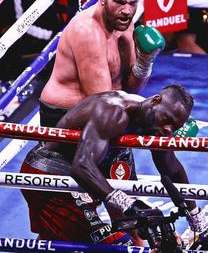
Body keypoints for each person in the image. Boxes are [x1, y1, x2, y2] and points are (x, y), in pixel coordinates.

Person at [38, 0, 208, 250]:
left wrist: (145, 62)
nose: (127, 10)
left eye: (133, 3)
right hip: (67, 117)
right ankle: (120, 231)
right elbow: (104, 100)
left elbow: (130, 88)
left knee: (135, 154)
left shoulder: (125, 24)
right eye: (120, 2)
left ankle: (135, 234)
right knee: (92, 197)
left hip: (109, 115)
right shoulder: (87, 31)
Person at [21, 85, 192, 246]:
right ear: (155, 101)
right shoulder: (113, 110)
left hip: (82, 181)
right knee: (116, 245)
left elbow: (171, 167)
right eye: (167, 120)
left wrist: (197, 219)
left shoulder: (153, 124)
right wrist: (126, 203)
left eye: (174, 127)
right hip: (52, 176)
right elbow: (81, 165)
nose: (168, 129)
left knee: (62, 239)